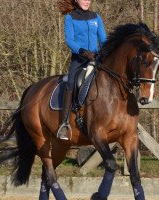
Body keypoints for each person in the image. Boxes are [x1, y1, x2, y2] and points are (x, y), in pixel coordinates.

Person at [57, 0, 107, 140]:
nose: (87, 1)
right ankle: (64, 123)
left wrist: (107, 50)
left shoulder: (95, 17)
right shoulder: (70, 17)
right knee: (71, 82)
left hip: (96, 58)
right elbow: (70, 40)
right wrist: (84, 52)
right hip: (79, 59)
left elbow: (103, 39)